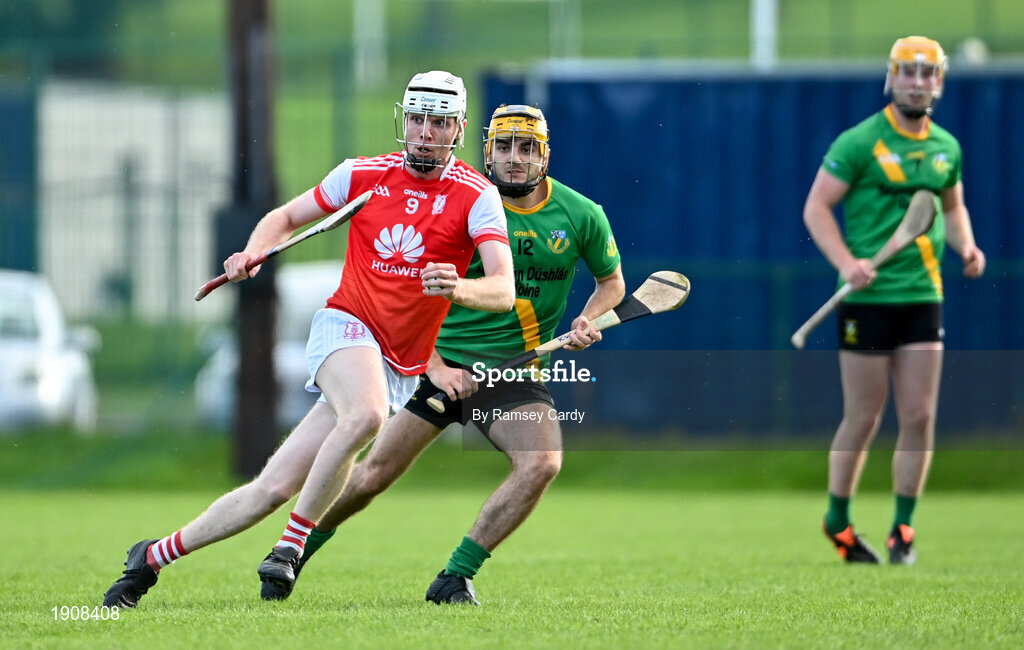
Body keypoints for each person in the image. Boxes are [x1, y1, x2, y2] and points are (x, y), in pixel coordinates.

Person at [101, 70, 516, 608]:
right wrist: (252, 252)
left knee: (268, 491)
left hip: (398, 363)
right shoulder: (362, 175)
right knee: (366, 417)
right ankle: (290, 549)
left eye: (438, 122)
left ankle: (150, 558)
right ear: (404, 120)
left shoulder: (477, 197)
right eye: (417, 119)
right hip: (347, 326)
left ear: (458, 129)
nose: (425, 133)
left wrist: (459, 287)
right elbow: (286, 217)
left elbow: (503, 289)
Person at [262, 103, 625, 605]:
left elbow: (611, 284)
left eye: (526, 148)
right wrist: (435, 365)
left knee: (541, 462)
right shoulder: (462, 201)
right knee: (371, 477)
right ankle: (292, 552)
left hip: (512, 372)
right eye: (502, 147)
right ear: (486, 150)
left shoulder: (582, 215)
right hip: (436, 361)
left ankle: (455, 576)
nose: (513, 159)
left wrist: (588, 319)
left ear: (545, 154)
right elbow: (408, 292)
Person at [802, 37, 985, 565]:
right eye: (908, 71)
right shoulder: (860, 142)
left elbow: (950, 210)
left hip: (924, 296)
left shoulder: (947, 147)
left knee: (920, 417)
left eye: (928, 73)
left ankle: (902, 530)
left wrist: (967, 247)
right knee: (863, 416)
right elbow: (816, 208)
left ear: (940, 82)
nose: (917, 81)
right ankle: (837, 520)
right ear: (891, 77)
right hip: (867, 299)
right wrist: (845, 262)